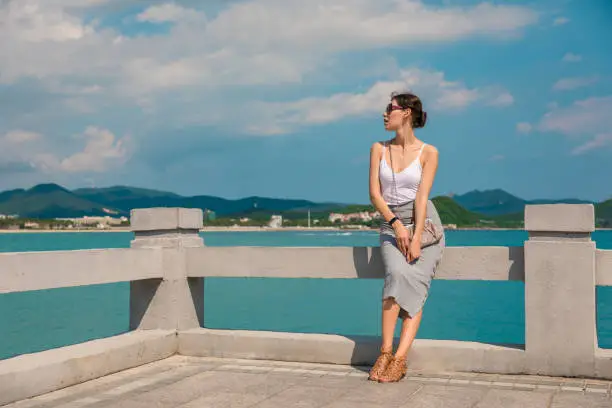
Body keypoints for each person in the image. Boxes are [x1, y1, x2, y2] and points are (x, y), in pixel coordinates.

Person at [367, 90, 445, 383]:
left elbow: (422, 198)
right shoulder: (378, 148)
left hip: (425, 228)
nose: (385, 113)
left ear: (407, 113)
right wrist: (397, 225)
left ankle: (400, 360)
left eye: (391, 108)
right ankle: (385, 352)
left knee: (416, 285)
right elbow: (375, 194)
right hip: (391, 224)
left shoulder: (429, 152)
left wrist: (414, 237)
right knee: (397, 276)